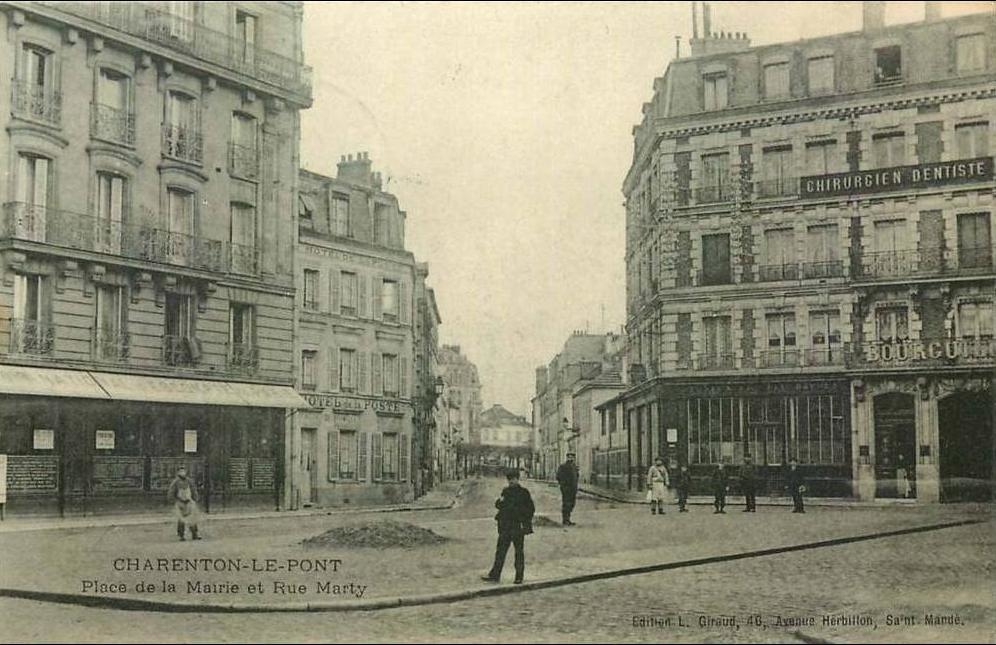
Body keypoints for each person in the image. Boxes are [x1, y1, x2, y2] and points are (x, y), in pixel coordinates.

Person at [482, 469, 535, 584]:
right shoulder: (505, 491)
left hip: (517, 526)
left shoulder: (524, 493)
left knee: (519, 552)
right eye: (509, 480)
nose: (511, 482)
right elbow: (499, 505)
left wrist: (525, 522)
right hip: (505, 526)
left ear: (517, 479)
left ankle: (519, 576)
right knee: (500, 551)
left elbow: (530, 509)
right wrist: (499, 502)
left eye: (513, 479)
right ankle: (495, 575)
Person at [167, 467, 201, 540]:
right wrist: (173, 500)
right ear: (178, 473)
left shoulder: (189, 481)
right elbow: (171, 492)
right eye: (181, 471)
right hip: (180, 502)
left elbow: (193, 490)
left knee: (192, 518)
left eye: (183, 471)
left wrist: (195, 498)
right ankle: (181, 535)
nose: (182, 472)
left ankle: (194, 534)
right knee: (181, 519)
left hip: (189, 501)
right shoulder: (175, 482)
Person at [556, 452, 580, 526]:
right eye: (569, 457)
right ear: (567, 458)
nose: (571, 458)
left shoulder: (574, 467)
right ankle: (565, 520)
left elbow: (576, 477)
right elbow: (558, 476)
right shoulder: (563, 466)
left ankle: (568, 519)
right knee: (566, 504)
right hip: (566, 489)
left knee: (572, 504)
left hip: (573, 489)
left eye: (572, 457)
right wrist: (563, 485)